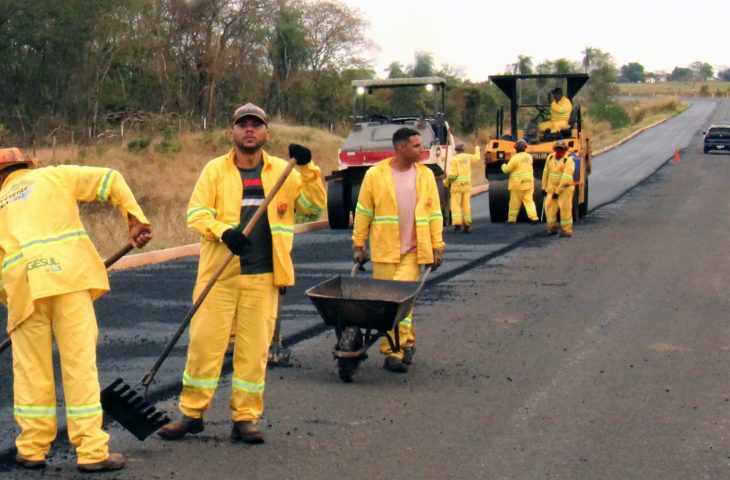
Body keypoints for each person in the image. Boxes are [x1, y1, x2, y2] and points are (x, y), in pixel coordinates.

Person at [157, 103, 325, 444]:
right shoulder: (215, 171)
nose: (249, 130)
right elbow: (197, 213)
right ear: (232, 132)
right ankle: (191, 414)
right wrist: (223, 231)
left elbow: (311, 205)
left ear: (266, 133)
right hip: (219, 276)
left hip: (264, 277)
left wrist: (308, 168)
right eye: (242, 124)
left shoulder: (284, 171)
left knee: (253, 350)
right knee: (205, 346)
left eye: (256, 125)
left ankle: (245, 418)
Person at [0, 148, 152, 472]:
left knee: (30, 373)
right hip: (68, 280)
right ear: (26, 165)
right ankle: (92, 452)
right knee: (79, 367)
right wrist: (135, 219)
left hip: (24, 289)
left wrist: (12, 299)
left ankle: (31, 449)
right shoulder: (53, 175)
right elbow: (110, 179)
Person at [352, 127, 445, 373]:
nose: (421, 149)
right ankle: (407, 343)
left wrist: (437, 246)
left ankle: (393, 351)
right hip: (384, 251)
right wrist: (359, 245)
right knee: (385, 304)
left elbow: (435, 214)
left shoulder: (425, 176)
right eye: (416, 146)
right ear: (401, 148)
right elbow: (363, 212)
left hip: (413, 252)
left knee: (400, 302)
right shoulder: (376, 175)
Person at [541, 140, 576, 237]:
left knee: (565, 210)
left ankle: (566, 231)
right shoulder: (550, 157)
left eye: (561, 149)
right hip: (551, 189)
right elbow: (545, 173)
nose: (559, 151)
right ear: (554, 149)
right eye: (557, 148)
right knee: (549, 208)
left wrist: (558, 191)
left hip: (564, 190)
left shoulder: (568, 160)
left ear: (565, 150)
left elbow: (566, 178)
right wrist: (544, 188)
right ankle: (552, 228)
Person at [444, 143, 481, 232]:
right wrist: (477, 148)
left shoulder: (454, 159)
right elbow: (477, 158)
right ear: (463, 149)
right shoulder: (468, 157)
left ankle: (457, 225)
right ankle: (467, 224)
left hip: (456, 187)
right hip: (466, 186)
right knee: (466, 205)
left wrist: (446, 182)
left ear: (456, 150)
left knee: (456, 205)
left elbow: (453, 175)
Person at [501, 139, 539, 224]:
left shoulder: (514, 158)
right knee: (529, 201)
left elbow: (507, 170)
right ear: (525, 147)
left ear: (516, 148)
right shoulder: (529, 157)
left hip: (517, 184)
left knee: (514, 203)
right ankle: (534, 218)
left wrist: (503, 165)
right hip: (529, 183)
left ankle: (512, 219)